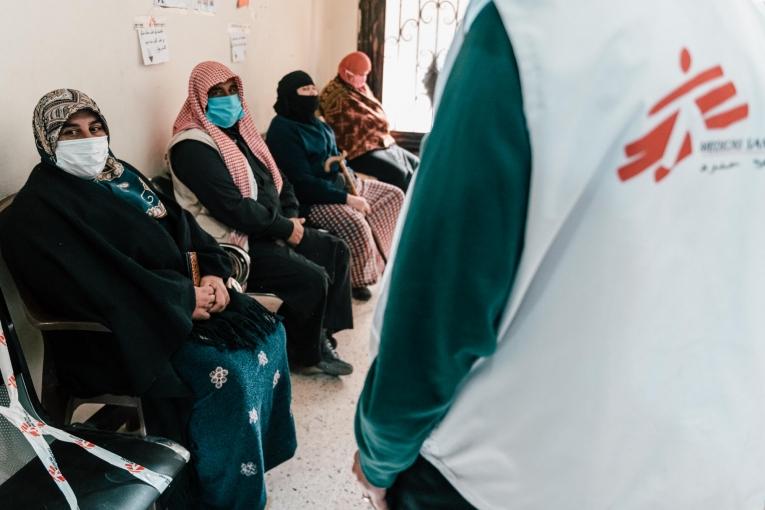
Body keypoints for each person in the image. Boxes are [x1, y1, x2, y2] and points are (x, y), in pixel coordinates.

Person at [353, 0, 765, 509]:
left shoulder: (527, 28)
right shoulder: (746, 25)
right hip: (717, 462)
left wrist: (380, 455)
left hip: (514, 475)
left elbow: (439, 307)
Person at [0, 89, 296, 510]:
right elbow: (96, 285)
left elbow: (184, 228)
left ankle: (246, 466)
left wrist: (213, 273)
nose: (88, 139)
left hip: (177, 300)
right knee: (226, 370)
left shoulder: (121, 176)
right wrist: (181, 299)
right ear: (47, 140)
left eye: (95, 127)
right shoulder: (40, 209)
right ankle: (216, 494)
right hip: (125, 334)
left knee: (269, 331)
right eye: (70, 132)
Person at [167, 61, 354, 376]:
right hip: (232, 242)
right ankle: (305, 355)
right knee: (311, 277)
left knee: (336, 250)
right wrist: (284, 228)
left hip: (268, 226)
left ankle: (320, 334)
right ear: (199, 98)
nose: (227, 99)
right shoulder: (192, 146)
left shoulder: (241, 135)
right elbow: (233, 208)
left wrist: (291, 219)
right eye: (216, 93)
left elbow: (281, 180)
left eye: (231, 91)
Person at [266, 71, 404, 301]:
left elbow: (338, 159)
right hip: (312, 199)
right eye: (304, 90)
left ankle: (381, 258)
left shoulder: (319, 124)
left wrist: (354, 183)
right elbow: (302, 183)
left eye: (313, 89)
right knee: (355, 223)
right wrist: (348, 199)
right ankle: (357, 279)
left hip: (341, 185)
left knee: (393, 195)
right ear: (290, 96)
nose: (312, 94)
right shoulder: (283, 130)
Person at [319, 51, 418, 192]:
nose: (365, 79)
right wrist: (377, 123)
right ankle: (402, 211)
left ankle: (418, 207)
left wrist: (378, 125)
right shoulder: (334, 96)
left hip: (379, 142)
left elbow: (373, 113)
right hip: (357, 152)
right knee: (399, 173)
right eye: (362, 75)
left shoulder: (358, 87)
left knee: (416, 164)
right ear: (348, 74)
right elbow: (351, 127)